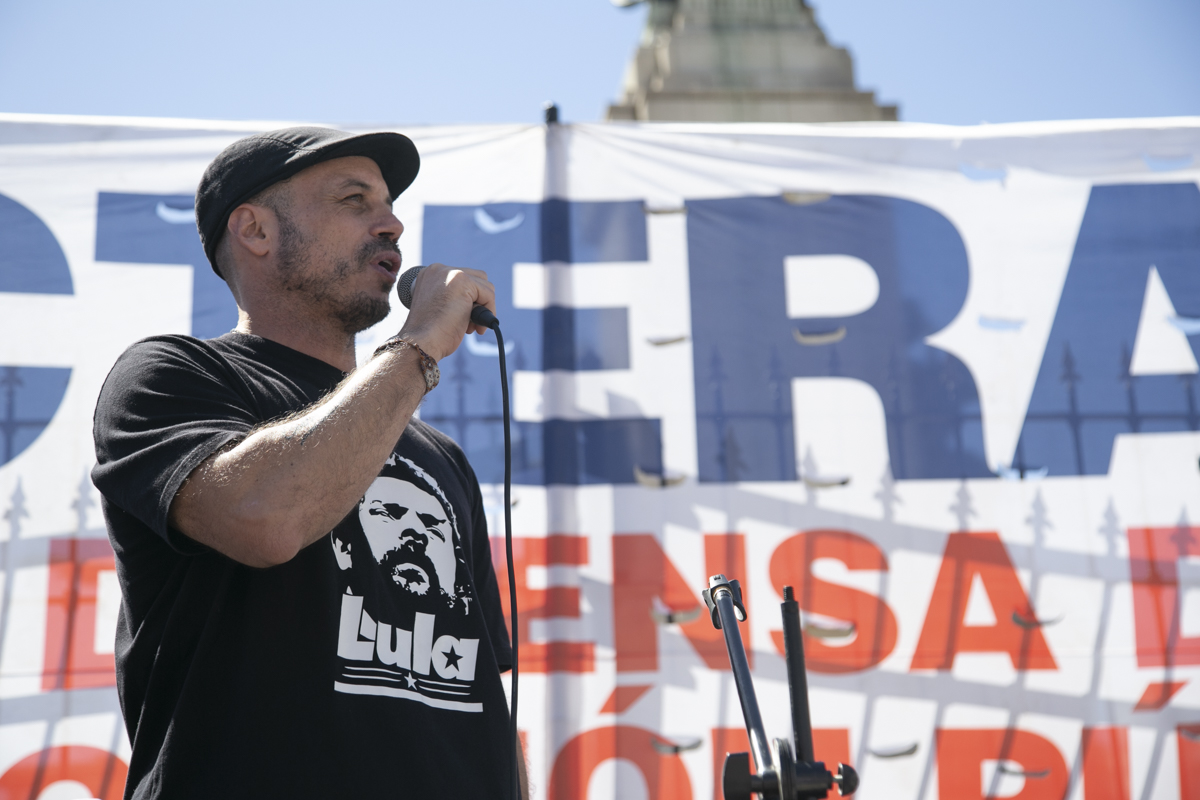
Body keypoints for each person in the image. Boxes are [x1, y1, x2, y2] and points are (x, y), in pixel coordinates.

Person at [91, 126, 525, 799]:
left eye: (390, 205)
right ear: (256, 230)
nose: (392, 224)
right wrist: (417, 346)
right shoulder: (169, 376)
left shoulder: (439, 456)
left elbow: (478, 692)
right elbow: (265, 520)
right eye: (354, 200)